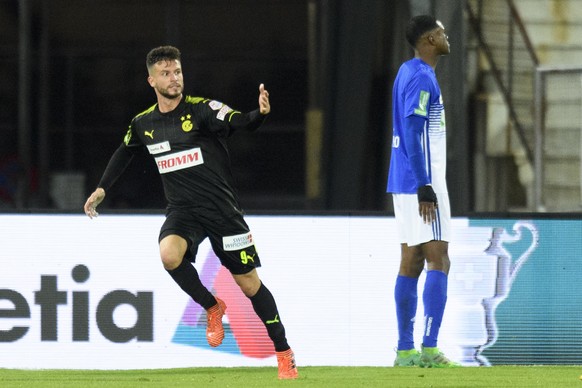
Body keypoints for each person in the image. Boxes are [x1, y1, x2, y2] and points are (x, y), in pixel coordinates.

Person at [84, 45, 298, 379]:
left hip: (222, 211)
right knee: (169, 255)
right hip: (183, 211)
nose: (174, 79)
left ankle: (283, 352)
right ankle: (213, 306)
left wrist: (259, 114)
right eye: (166, 73)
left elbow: (238, 121)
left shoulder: (201, 110)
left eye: (178, 72)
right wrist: (102, 188)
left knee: (250, 285)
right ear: (151, 80)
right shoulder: (144, 123)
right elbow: (124, 152)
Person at [387, 15, 459, 368]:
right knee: (438, 258)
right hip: (421, 181)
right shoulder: (421, 78)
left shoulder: (406, 70)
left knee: (412, 261)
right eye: (442, 33)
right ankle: (428, 348)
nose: (448, 37)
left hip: (403, 180)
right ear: (430, 39)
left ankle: (405, 351)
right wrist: (425, 187)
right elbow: (414, 135)